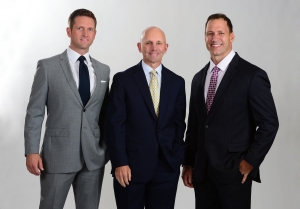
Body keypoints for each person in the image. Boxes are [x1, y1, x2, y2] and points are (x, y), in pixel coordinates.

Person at [182, 13, 279, 209]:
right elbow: (194, 126)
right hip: (202, 174)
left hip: (234, 173)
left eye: (220, 33)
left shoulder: (252, 75)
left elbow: (270, 123)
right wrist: (189, 163)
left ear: (231, 37)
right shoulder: (198, 78)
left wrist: (250, 162)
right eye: (210, 33)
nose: (214, 38)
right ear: (205, 38)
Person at [24, 8, 110, 209]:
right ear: (69, 31)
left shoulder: (104, 70)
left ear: (95, 34)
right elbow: (35, 112)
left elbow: (104, 115)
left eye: (90, 29)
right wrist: (31, 151)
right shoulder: (48, 67)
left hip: (93, 158)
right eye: (80, 28)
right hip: (57, 157)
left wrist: (106, 149)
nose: (85, 33)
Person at [106, 26, 186, 209]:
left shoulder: (177, 82)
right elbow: (114, 125)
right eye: (148, 43)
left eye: (158, 43)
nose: (153, 47)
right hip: (130, 169)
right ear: (139, 46)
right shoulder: (123, 80)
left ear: (166, 47)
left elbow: (179, 124)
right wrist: (120, 162)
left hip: (166, 167)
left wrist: (177, 156)